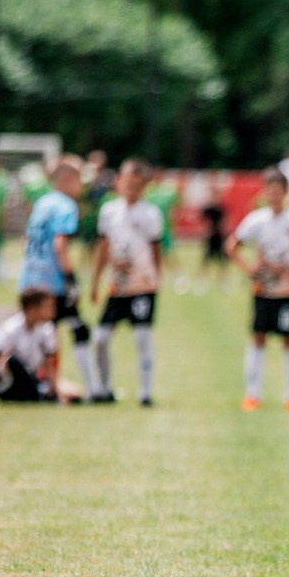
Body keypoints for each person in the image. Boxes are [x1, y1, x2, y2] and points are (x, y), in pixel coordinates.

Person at [228, 167, 289, 412]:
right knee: (258, 338)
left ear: (286, 192)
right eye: (269, 191)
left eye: (278, 191)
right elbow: (232, 246)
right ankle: (253, 393)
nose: (273, 196)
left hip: (286, 293)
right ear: (264, 192)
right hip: (263, 291)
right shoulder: (256, 220)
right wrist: (250, 269)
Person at [18, 154, 100, 401]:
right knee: (78, 330)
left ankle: (45, 385)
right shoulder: (66, 205)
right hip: (52, 281)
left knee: (44, 336)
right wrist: (71, 279)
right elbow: (60, 244)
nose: (81, 186)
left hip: (31, 277)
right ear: (66, 179)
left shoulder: (42, 203)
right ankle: (93, 389)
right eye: (78, 180)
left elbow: (27, 240)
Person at [89, 158, 165, 407]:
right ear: (118, 182)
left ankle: (145, 391)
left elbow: (155, 250)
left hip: (141, 286)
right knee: (101, 337)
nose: (131, 189)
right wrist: (96, 281)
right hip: (117, 287)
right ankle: (104, 387)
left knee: (142, 337)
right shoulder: (109, 211)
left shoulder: (150, 214)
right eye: (127, 183)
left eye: (137, 185)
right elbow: (103, 248)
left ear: (143, 186)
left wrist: (156, 280)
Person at [0, 289, 82, 405]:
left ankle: (42, 395)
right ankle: (39, 396)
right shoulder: (11, 328)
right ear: (33, 308)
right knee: (13, 362)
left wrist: (56, 392)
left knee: (75, 392)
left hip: (33, 379)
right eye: (48, 306)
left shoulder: (47, 329)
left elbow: (48, 366)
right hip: (11, 382)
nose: (52, 310)